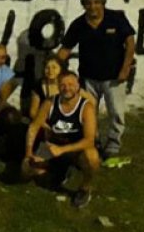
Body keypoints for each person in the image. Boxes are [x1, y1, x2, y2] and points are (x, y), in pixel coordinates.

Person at [58, 0, 136, 158]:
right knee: (88, 112)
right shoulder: (79, 24)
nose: (93, 6)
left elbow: (130, 43)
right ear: (84, 5)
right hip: (88, 77)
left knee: (115, 112)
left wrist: (125, 68)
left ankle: (113, 144)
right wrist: (56, 68)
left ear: (103, 3)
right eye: (88, 3)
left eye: (96, 2)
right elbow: (65, 49)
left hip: (114, 77)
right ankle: (93, 140)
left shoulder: (116, 18)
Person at [23, 71, 100, 208]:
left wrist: (62, 150)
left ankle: (85, 188)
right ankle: (61, 171)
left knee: (92, 158)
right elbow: (34, 127)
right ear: (58, 87)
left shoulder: (86, 107)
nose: (67, 88)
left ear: (77, 86)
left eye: (71, 84)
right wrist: (28, 153)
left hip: (75, 150)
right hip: (53, 147)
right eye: (63, 85)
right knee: (28, 171)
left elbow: (89, 140)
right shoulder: (50, 102)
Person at [29, 54, 95, 122]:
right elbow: (33, 112)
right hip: (46, 122)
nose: (50, 71)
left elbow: (92, 101)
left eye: (54, 67)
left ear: (61, 68)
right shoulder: (39, 85)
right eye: (47, 68)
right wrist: (45, 126)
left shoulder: (68, 83)